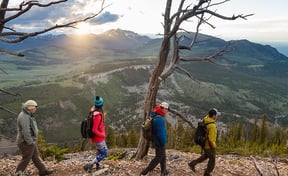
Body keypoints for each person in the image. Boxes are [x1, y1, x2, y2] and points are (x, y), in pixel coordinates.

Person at [15, 100, 53, 176]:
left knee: (35, 156)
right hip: (25, 142)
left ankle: (43, 170)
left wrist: (32, 141)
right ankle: (18, 173)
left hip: (30, 140)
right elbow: (26, 131)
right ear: (30, 108)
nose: (36, 109)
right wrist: (30, 142)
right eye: (35, 107)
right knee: (26, 158)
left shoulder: (27, 114)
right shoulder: (24, 117)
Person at [188, 108, 221, 176]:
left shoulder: (205, 119)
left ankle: (192, 163)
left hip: (204, 143)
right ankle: (207, 173)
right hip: (209, 145)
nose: (217, 116)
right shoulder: (212, 126)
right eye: (216, 115)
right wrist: (214, 146)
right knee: (212, 159)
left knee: (206, 155)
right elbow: (211, 139)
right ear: (213, 116)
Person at [140, 102, 170, 176]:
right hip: (159, 141)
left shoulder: (154, 115)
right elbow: (161, 133)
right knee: (158, 157)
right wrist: (164, 142)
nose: (167, 111)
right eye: (167, 109)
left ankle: (164, 172)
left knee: (163, 156)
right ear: (163, 109)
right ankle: (145, 172)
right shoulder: (160, 119)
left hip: (155, 140)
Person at [83, 96, 108, 173]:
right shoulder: (97, 116)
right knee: (104, 153)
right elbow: (94, 130)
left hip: (96, 138)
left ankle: (98, 166)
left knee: (99, 152)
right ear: (101, 105)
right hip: (99, 138)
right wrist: (102, 135)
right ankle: (90, 164)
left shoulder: (93, 111)